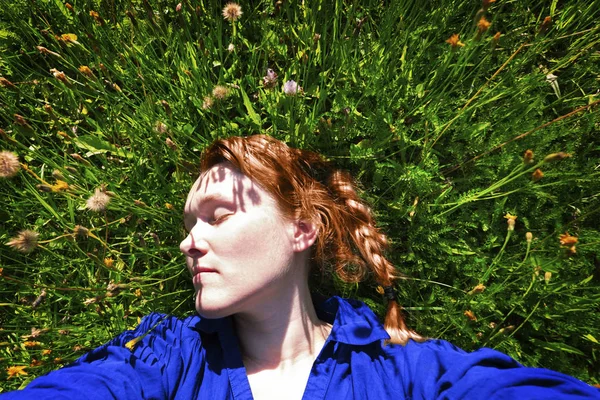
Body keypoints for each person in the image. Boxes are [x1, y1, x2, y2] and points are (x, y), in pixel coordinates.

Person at [2, 134, 599, 399]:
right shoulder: (162, 361)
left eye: (216, 215)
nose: (190, 242)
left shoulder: (408, 374)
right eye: (188, 225)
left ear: (301, 231)